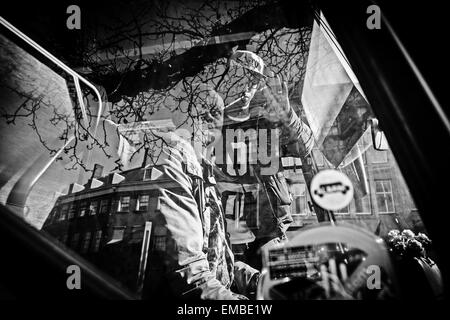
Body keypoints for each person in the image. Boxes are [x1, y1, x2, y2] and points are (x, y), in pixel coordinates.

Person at [143, 84, 259, 300]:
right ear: (181, 113)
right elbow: (189, 271)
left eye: (215, 112)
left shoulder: (205, 174)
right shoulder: (172, 160)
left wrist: (256, 280)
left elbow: (218, 261)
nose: (206, 116)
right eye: (198, 107)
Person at [217, 50, 315, 270]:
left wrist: (288, 115)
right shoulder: (213, 122)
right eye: (237, 77)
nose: (245, 85)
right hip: (225, 237)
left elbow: (306, 148)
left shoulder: (269, 116)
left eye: (250, 78)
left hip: (269, 231)